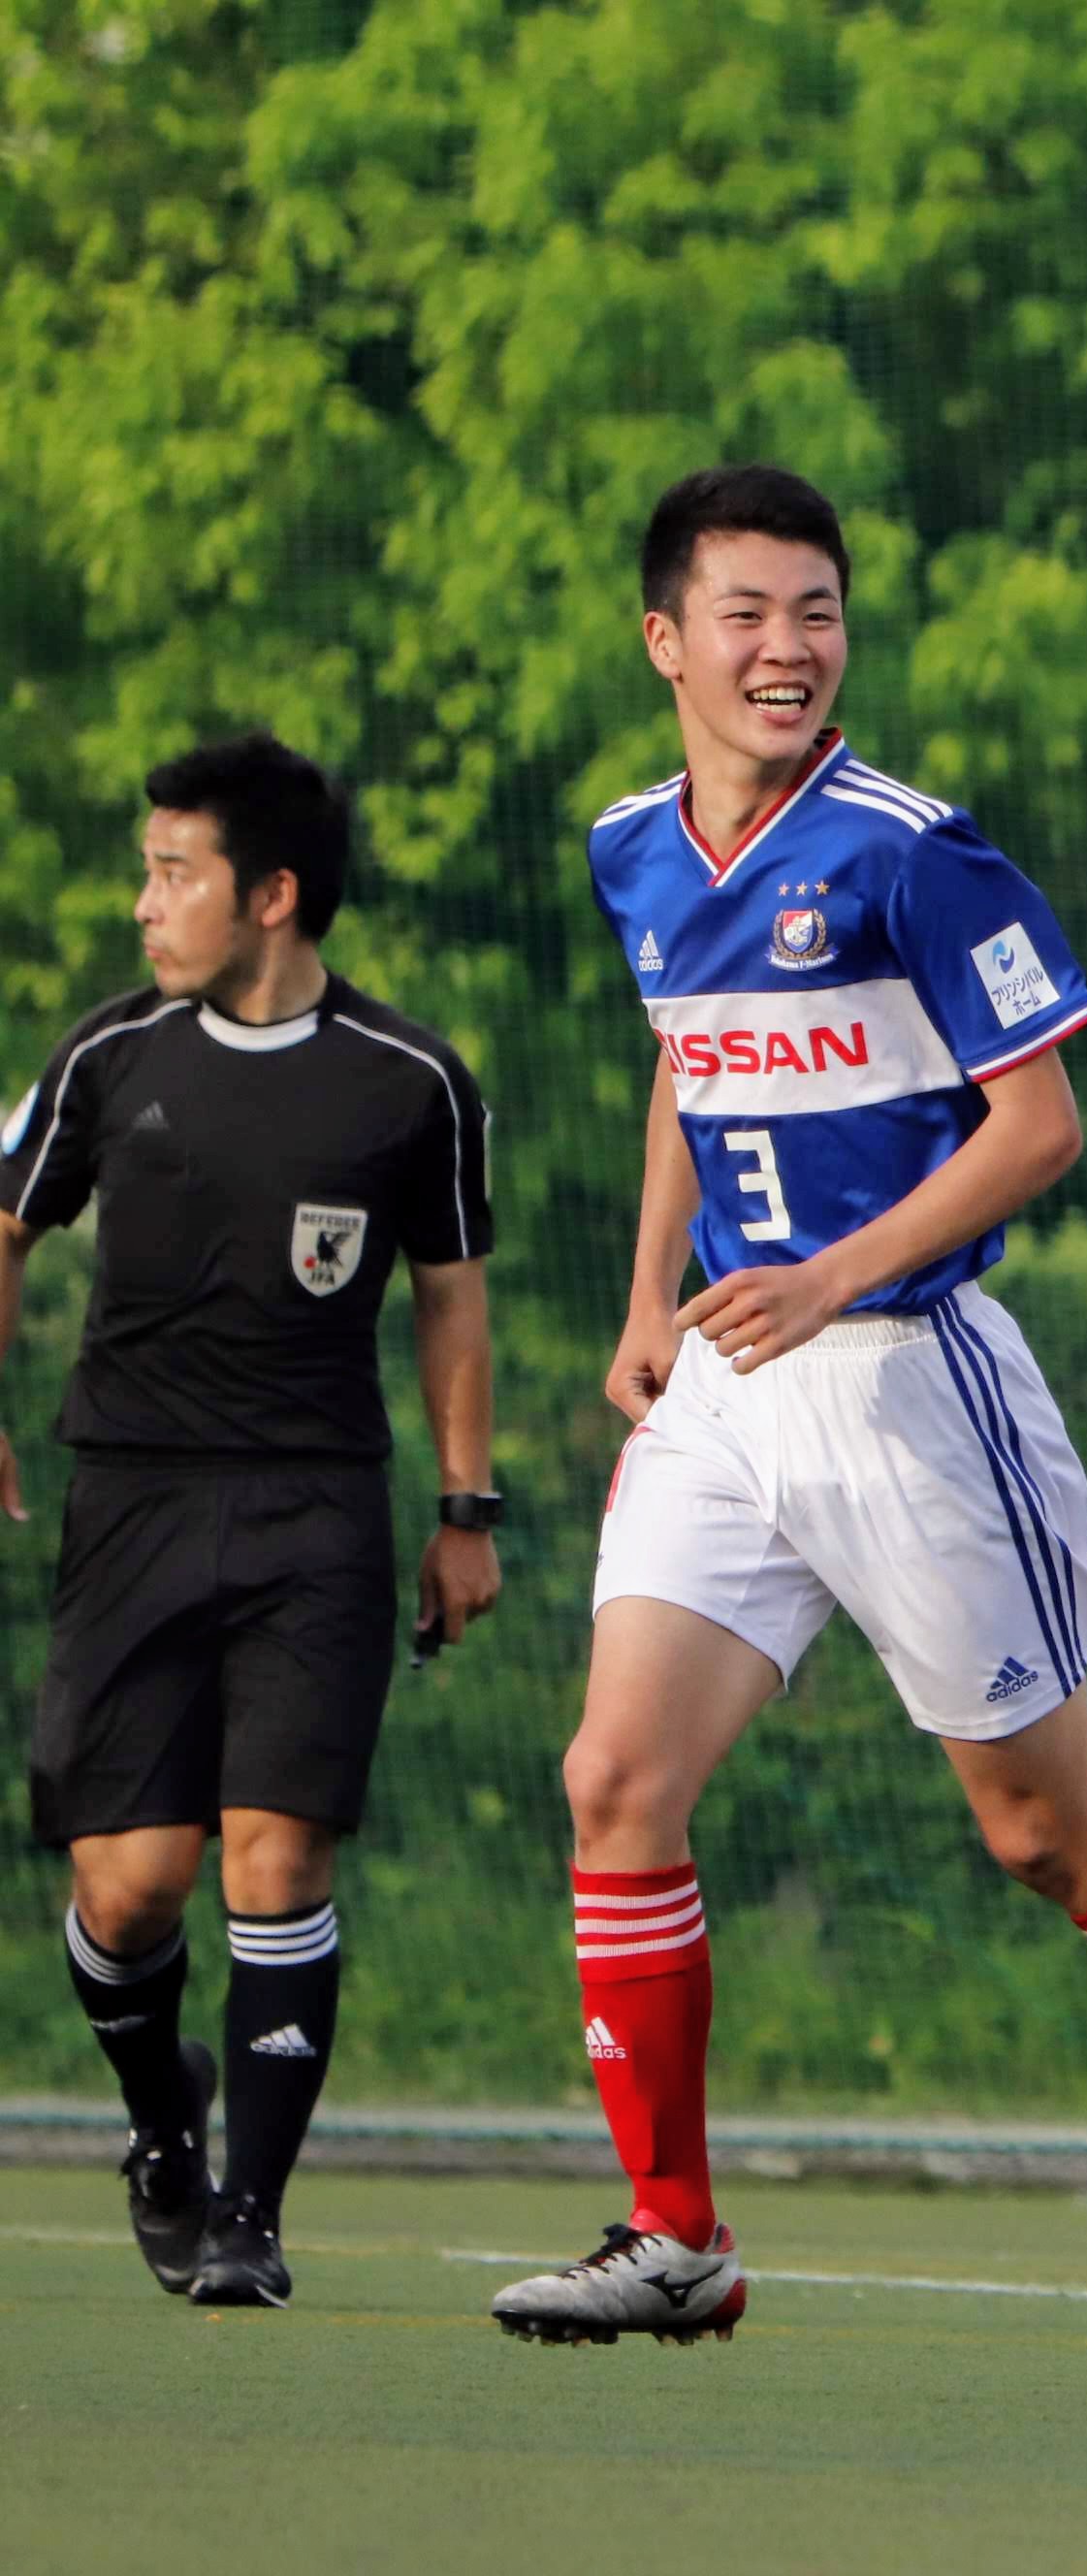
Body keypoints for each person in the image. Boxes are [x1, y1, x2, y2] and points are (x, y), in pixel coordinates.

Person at [486, 465, 1087, 2359]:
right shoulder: (636, 844)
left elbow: (1040, 1120)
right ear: (666, 640)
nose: (786, 647)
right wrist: (654, 1294)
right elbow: (683, 1065)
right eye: (744, 613)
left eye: (815, 611)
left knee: (1044, 1831)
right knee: (613, 1780)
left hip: (906, 1379)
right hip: (728, 1387)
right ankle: (676, 2230)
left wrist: (830, 1273)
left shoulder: (915, 851)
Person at [3, 733, 498, 2312]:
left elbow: (452, 1305)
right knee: (128, 1889)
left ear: (271, 894)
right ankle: (166, 2125)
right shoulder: (108, 1058)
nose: (144, 902)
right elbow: (4, 1224)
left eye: (173, 872)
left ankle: (252, 2219)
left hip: (316, 1515)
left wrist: (463, 1508)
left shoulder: (411, 1083)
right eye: (147, 869)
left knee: (276, 1860)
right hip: (132, 1501)